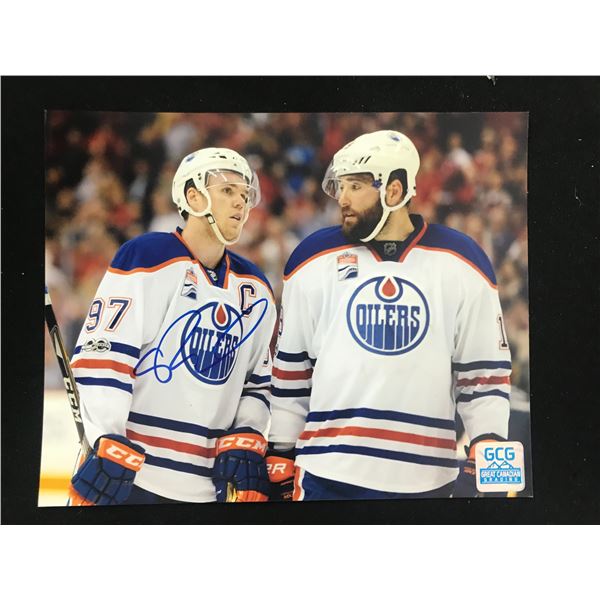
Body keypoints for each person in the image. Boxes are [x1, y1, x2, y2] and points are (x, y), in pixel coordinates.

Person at [267, 130, 511, 500]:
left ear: (394, 191)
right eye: (341, 187)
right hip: (324, 475)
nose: (342, 199)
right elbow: (292, 373)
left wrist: (488, 455)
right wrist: (280, 452)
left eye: (355, 187)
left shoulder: (463, 262)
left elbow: (484, 379)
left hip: (427, 483)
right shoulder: (311, 258)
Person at [68, 147, 277, 505]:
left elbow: (258, 382)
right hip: (130, 476)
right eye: (228, 191)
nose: (240, 203)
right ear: (193, 197)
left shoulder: (255, 287)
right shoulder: (147, 257)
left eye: (245, 195)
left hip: (207, 489)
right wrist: (106, 435)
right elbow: (104, 358)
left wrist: (247, 430)